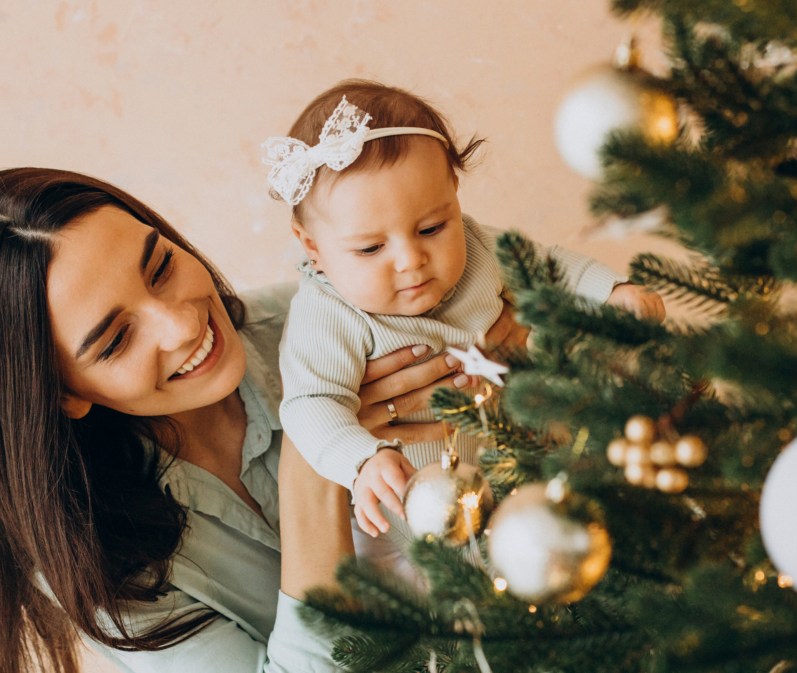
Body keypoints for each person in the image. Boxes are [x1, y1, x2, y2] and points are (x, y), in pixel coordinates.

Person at [0, 167, 523, 673]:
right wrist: (316, 451)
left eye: (160, 268)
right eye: (117, 339)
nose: (183, 325)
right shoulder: (92, 559)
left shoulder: (334, 323)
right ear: (62, 394)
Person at [264, 80, 666, 571]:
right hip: (425, 519)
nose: (411, 260)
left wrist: (612, 292)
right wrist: (362, 458)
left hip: (532, 461)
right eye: (370, 248)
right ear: (312, 247)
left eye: (432, 228)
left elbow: (547, 267)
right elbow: (311, 402)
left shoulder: (479, 248)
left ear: (454, 194)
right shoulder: (327, 314)